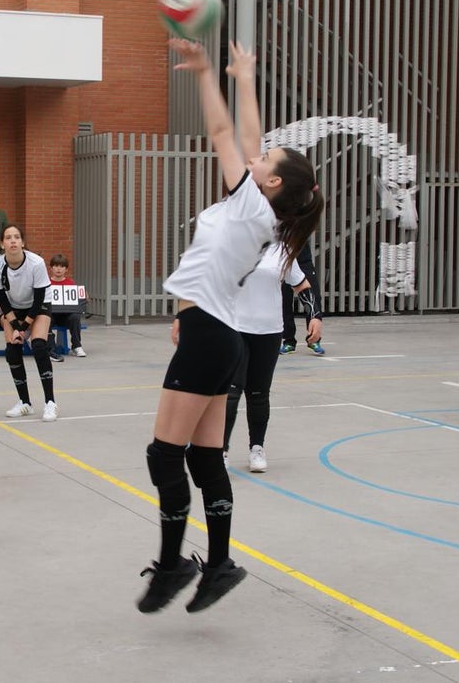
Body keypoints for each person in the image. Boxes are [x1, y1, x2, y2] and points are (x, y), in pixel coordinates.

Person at [136, 39, 322, 615]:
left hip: (211, 339)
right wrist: (243, 78)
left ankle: (172, 566)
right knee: (204, 459)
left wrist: (204, 76)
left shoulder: (248, 202)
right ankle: (218, 564)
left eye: (269, 159)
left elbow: (226, 136)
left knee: (165, 456)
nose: (259, 155)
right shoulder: (258, 204)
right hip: (220, 340)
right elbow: (248, 139)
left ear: (269, 182)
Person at [223, 243, 321, 473]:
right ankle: (221, 449)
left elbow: (301, 284)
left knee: (258, 393)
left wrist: (315, 315)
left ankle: (257, 447)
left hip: (269, 331)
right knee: (231, 392)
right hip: (236, 328)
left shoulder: (284, 248)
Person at [0, 224, 58, 423]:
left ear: (23, 242)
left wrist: (24, 328)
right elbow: (2, 300)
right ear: (2, 244)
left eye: (17, 237)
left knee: (38, 345)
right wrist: (16, 329)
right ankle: (25, 402)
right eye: (8, 237)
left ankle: (50, 402)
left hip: (38, 305)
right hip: (12, 308)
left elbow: (38, 301)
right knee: (12, 348)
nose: (13, 241)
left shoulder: (36, 263)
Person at [280, 242, 326, 355]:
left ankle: (314, 339)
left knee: (314, 296)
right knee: (285, 301)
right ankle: (289, 341)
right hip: (286, 260)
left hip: (303, 260)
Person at [47, 253, 85, 359]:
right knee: (45, 318)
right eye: (56, 266)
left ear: (66, 269)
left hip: (66, 315)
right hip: (52, 314)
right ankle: (51, 349)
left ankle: (76, 346)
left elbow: (77, 301)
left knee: (75, 317)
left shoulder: (71, 283)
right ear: (51, 268)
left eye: (62, 266)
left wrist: (83, 296)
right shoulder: (46, 283)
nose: (58, 269)